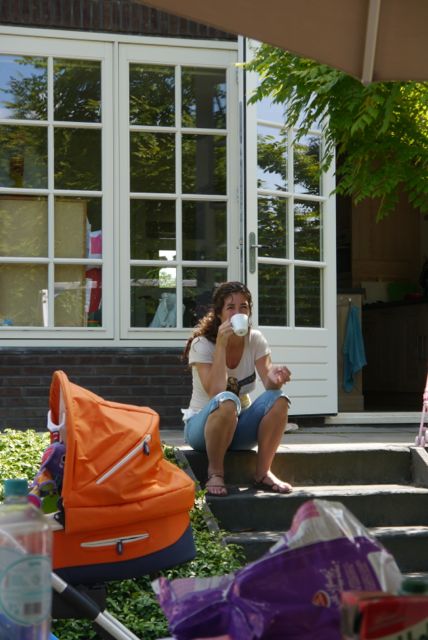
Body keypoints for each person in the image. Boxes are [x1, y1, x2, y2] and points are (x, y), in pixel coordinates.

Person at [182, 281, 293, 497]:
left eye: (243, 307)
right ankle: (215, 473)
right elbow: (216, 392)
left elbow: (269, 385)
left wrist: (275, 379)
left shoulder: (255, 339)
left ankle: (263, 473)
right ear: (219, 314)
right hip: (201, 430)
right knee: (227, 400)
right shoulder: (201, 344)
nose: (238, 312)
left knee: (279, 399)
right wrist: (221, 345)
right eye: (230, 307)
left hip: (238, 427)